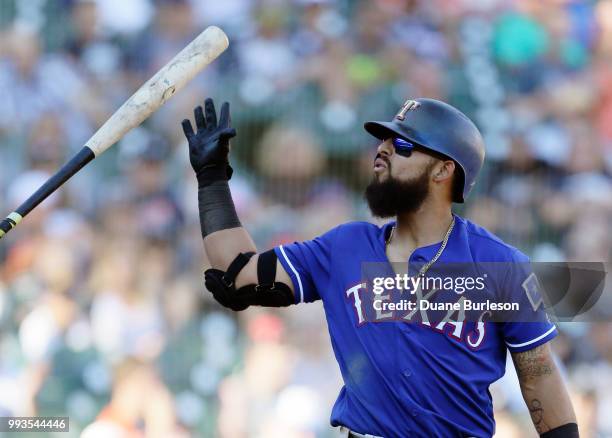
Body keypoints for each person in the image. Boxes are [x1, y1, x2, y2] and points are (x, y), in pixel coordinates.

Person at [180, 97, 578, 437]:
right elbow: (237, 275)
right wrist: (212, 178)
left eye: (402, 143)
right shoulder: (345, 246)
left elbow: (539, 375)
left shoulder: (499, 264)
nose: (383, 148)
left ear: (444, 170)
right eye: (383, 139)